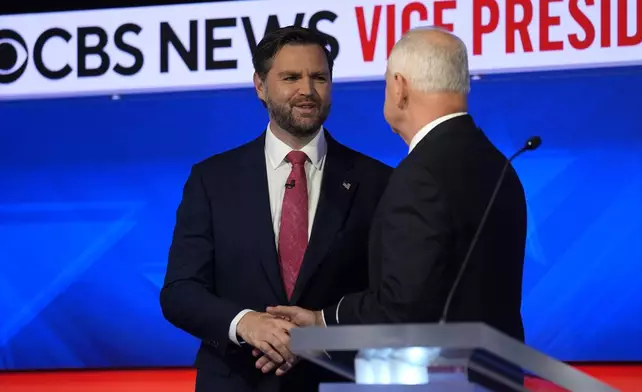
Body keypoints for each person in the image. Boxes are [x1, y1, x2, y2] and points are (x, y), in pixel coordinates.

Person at [159, 26, 392, 392]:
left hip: (338, 382)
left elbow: (390, 297)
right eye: (290, 77)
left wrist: (318, 335)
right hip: (235, 381)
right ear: (260, 85)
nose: (307, 90)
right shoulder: (212, 179)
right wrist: (245, 323)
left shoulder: (379, 182)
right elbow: (180, 291)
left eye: (319, 77)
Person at [268, 27, 527, 343]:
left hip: (438, 375)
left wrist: (324, 320)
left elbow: (402, 305)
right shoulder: (500, 165)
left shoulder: (420, 176)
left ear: (400, 87)